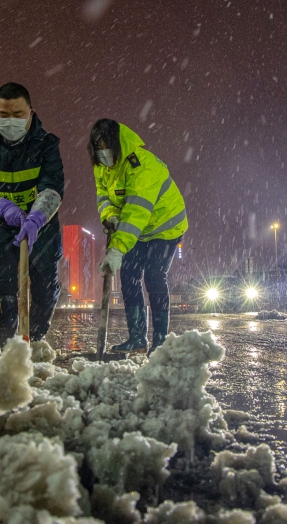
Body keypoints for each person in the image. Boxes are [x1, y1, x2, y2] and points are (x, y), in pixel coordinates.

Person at [0, 82, 64, 348]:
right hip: (0, 228)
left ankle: (35, 337)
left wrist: (35, 218)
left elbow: (53, 187)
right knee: (4, 288)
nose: (11, 121)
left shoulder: (46, 145)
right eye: (4, 115)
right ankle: (11, 352)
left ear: (30, 114)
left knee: (45, 291)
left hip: (40, 228)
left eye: (18, 114)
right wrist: (3, 207)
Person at [88, 119, 188, 354]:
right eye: (98, 148)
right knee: (129, 275)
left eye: (107, 146)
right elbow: (103, 196)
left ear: (118, 143)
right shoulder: (101, 166)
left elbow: (135, 215)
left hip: (165, 227)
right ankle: (137, 339)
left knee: (154, 276)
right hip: (138, 231)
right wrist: (110, 216)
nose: (103, 153)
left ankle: (160, 342)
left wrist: (116, 249)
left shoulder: (141, 166)